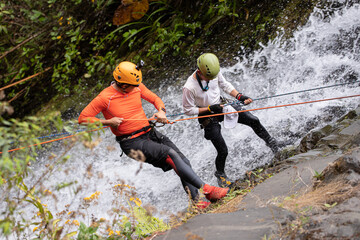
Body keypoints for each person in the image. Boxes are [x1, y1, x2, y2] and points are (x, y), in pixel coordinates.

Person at [78, 60, 229, 208]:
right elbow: (83, 119)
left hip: (149, 133)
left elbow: (155, 99)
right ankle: (207, 190)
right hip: (132, 143)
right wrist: (108, 122)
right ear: (123, 85)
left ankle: (197, 202)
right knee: (169, 153)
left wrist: (161, 111)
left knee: (183, 160)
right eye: (133, 86)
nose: (137, 88)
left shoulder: (136, 87)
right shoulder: (105, 97)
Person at [182, 53, 281, 188]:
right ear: (199, 72)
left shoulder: (214, 71)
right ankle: (220, 175)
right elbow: (188, 110)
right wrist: (210, 108)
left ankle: (273, 144)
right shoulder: (189, 87)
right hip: (207, 115)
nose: (211, 79)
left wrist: (239, 96)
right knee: (223, 150)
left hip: (222, 106)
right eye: (208, 77)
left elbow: (225, 85)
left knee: (253, 120)